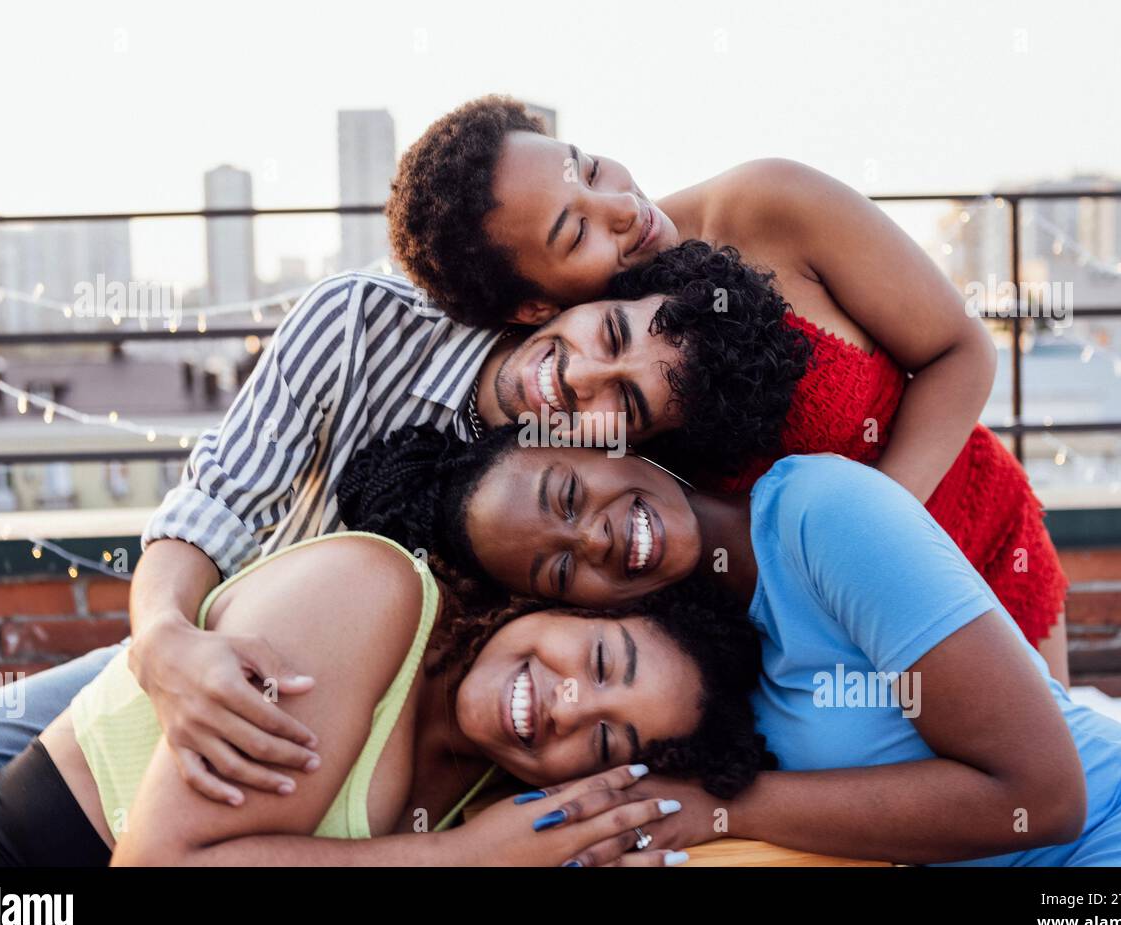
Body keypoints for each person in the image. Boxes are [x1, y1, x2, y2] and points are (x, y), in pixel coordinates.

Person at [0, 241, 803, 825]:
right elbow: (216, 500)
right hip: (208, 630)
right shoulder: (367, 321)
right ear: (561, 301)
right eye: (605, 331)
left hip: (352, 715)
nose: (583, 383)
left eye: (626, 404)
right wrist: (159, 640)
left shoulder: (559, 539)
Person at [387, 95, 1071, 683]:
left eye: (589, 169)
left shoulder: (768, 204)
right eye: (576, 232)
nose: (621, 207)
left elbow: (961, 352)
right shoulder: (574, 383)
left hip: (973, 538)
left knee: (1051, 790)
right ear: (533, 308)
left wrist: (871, 541)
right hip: (819, 635)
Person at [337, 426, 1121, 866]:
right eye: (561, 570)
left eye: (573, 492)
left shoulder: (821, 514)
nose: (599, 540)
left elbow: (1045, 795)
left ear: (599, 439)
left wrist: (730, 808)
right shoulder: (667, 667)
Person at [0, 531, 770, 866]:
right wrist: (461, 858)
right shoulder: (371, 596)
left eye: (610, 741)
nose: (569, 705)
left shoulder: (487, 790)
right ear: (561, 602)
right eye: (596, 657)